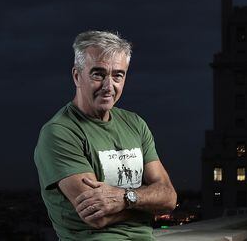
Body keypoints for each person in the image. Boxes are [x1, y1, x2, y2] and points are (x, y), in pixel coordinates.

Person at [34, 30, 177, 240]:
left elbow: (169, 198)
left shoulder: (135, 124)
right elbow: (96, 216)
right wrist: (147, 205)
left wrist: (124, 198)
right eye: (98, 74)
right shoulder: (59, 132)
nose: (109, 87)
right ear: (77, 76)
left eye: (118, 75)